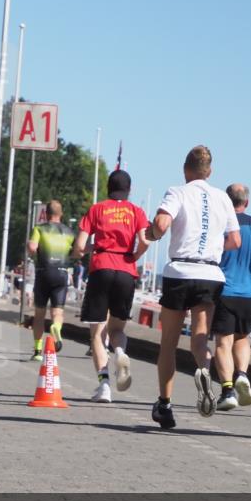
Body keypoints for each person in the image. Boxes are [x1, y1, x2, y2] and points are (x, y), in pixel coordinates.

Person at [145, 146, 240, 429]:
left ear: (185, 169)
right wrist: (211, 246)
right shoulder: (223, 198)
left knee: (169, 344)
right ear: (209, 172)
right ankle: (203, 369)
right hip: (210, 272)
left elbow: (162, 224)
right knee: (200, 337)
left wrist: (151, 234)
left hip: (180, 271)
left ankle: (165, 404)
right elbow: (235, 240)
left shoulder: (178, 192)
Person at [72, 170, 150, 402]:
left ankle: (104, 385)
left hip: (101, 267)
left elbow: (79, 245)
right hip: (126, 270)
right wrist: (134, 254)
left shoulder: (97, 209)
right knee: (117, 329)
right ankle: (120, 352)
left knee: (97, 332)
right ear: (129, 190)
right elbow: (146, 240)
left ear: (108, 187)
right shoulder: (137, 211)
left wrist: (89, 249)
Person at [212, 184, 251, 410]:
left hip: (225, 289)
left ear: (226, 201)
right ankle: (242, 374)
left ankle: (228, 390)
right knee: (241, 338)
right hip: (250, 292)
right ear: (246, 202)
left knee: (223, 342)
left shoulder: (221, 222)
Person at [28, 200, 75, 360]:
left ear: (45, 214)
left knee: (39, 314)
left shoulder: (39, 229)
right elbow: (77, 252)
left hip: (44, 272)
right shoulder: (69, 231)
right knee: (58, 311)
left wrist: (31, 248)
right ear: (61, 214)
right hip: (62, 273)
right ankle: (56, 327)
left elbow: (33, 248)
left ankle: (37, 351)